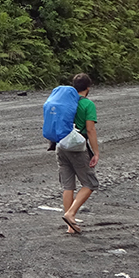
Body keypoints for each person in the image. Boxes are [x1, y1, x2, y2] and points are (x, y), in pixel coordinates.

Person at [60, 73, 99, 234]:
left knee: (68, 185)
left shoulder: (65, 102)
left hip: (61, 145)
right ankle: (71, 214)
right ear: (88, 88)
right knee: (90, 183)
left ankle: (71, 226)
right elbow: (90, 129)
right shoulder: (87, 105)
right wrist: (95, 152)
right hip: (77, 146)